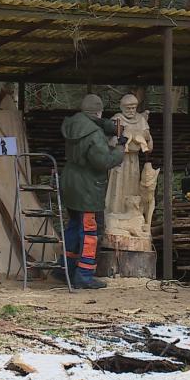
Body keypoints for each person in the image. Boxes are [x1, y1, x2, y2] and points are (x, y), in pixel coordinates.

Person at [59, 94, 126, 289]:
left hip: (70, 181)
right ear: (98, 112)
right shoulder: (94, 134)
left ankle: (66, 269)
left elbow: (95, 123)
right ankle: (84, 276)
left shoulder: (74, 124)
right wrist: (120, 148)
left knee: (73, 226)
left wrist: (110, 127)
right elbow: (103, 161)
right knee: (90, 232)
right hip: (87, 186)